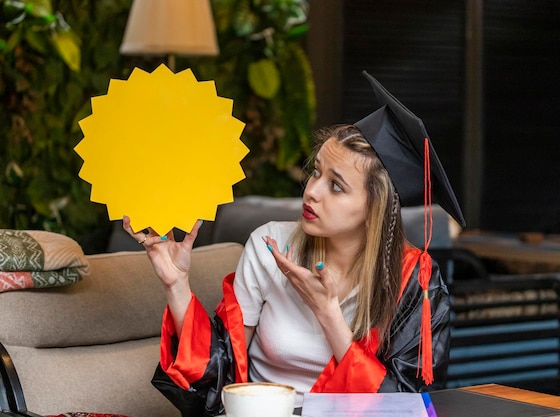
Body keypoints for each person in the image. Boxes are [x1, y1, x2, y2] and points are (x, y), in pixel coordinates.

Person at [123, 72, 465, 417]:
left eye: (336, 186)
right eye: (316, 172)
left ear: (373, 210)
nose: (311, 191)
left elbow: (401, 406)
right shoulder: (269, 246)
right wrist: (176, 284)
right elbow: (221, 374)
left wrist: (327, 312)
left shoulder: (413, 279)